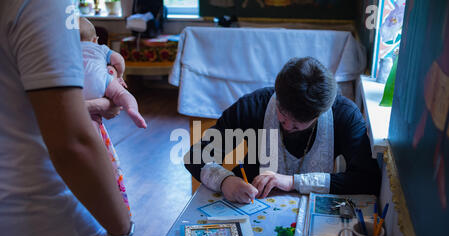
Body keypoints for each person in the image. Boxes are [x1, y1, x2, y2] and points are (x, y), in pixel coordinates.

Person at [0, 0, 134, 236]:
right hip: (59, 233)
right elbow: (72, 142)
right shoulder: (42, 6)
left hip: (12, 234)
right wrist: (121, 229)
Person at [184, 57, 381, 204]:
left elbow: (367, 178)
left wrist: (293, 182)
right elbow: (194, 156)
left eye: (297, 125)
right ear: (277, 95)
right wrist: (225, 180)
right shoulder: (253, 106)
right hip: (251, 204)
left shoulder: (344, 115)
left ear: (320, 113)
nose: (286, 126)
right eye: (281, 114)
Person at [79, 17, 147, 129]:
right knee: (122, 94)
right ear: (95, 40)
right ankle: (132, 109)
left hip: (77, 87)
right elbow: (119, 60)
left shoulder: (67, 50)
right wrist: (119, 76)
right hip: (102, 81)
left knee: (92, 117)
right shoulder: (100, 48)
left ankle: (94, 134)